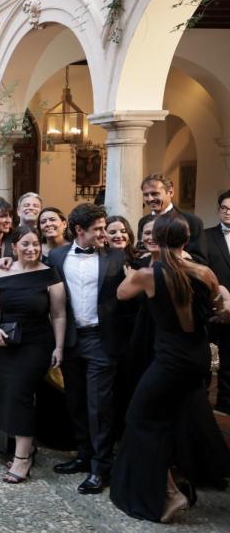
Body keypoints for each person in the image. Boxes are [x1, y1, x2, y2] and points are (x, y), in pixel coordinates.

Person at [110, 214, 227, 522]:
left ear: (156, 241)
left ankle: (171, 494)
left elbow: (121, 294)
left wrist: (136, 267)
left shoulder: (147, 274)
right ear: (186, 241)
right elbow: (219, 306)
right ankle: (183, 481)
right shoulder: (204, 272)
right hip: (197, 357)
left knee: (139, 420)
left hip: (170, 361)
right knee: (173, 419)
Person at [48, 203, 126, 495]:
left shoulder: (117, 257)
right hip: (69, 338)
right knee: (76, 401)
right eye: (98, 229)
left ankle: (100, 467)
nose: (104, 234)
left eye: (104, 228)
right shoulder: (56, 256)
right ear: (79, 230)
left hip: (101, 339)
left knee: (99, 406)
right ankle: (82, 456)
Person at [0, 226, 66, 483]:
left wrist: (59, 347)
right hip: (6, 341)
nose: (31, 249)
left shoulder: (49, 275)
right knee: (8, 394)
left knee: (21, 393)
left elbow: (59, 314)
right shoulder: (2, 269)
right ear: (14, 246)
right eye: (25, 244)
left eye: (35, 244)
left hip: (36, 343)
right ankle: (27, 446)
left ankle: (22, 459)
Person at [136, 174, 206, 261]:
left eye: (155, 194)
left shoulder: (192, 221)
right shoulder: (143, 221)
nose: (150, 199)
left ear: (171, 192)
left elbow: (200, 261)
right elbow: (140, 250)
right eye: (146, 195)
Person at [203, 190, 230, 414]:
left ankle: (225, 403)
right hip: (213, 305)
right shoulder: (206, 236)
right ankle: (201, 405)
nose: (228, 213)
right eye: (224, 208)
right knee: (206, 357)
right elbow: (203, 269)